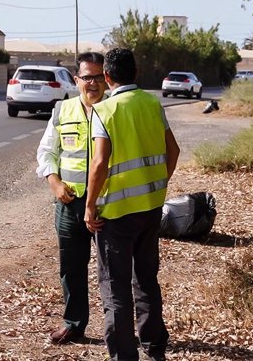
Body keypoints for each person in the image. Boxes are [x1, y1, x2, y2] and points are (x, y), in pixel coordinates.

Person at [85, 48, 180, 361]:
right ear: (136, 72)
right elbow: (173, 151)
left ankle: (125, 356)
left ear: (108, 77)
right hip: (151, 208)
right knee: (147, 279)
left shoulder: (105, 110)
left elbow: (99, 164)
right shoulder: (153, 103)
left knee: (115, 287)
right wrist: (157, 185)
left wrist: (90, 206)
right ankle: (155, 348)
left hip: (115, 215)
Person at [36, 52, 107, 344]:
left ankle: (118, 330)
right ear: (76, 80)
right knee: (71, 268)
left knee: (112, 271)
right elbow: (46, 152)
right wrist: (54, 183)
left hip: (107, 205)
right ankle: (74, 324)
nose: (92, 83)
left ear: (107, 79)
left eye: (98, 76)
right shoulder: (62, 110)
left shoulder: (116, 110)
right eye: (87, 77)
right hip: (69, 205)